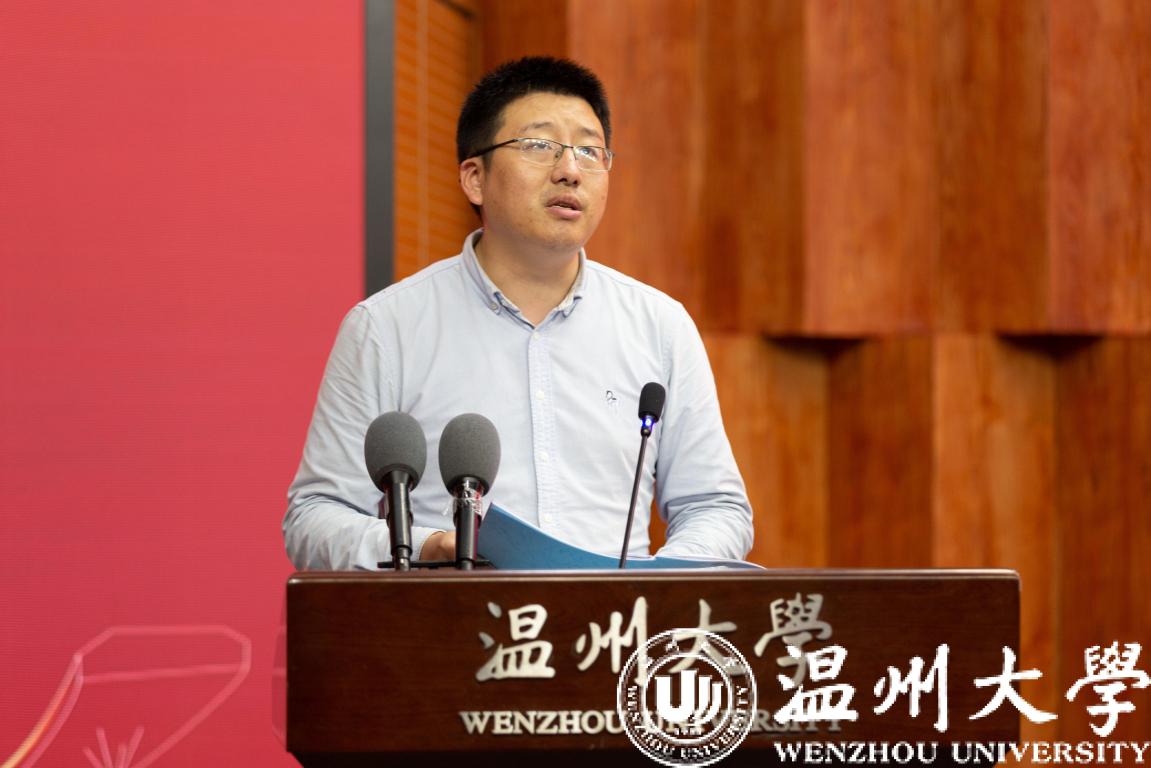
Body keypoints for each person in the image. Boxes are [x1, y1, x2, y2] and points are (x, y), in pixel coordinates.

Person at [284, 56, 752, 570]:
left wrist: (662, 582)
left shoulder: (660, 326)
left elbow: (715, 506)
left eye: (589, 151)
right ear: (475, 178)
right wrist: (428, 547)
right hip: (454, 615)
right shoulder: (386, 328)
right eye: (538, 145)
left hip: (617, 618)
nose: (570, 171)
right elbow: (315, 517)